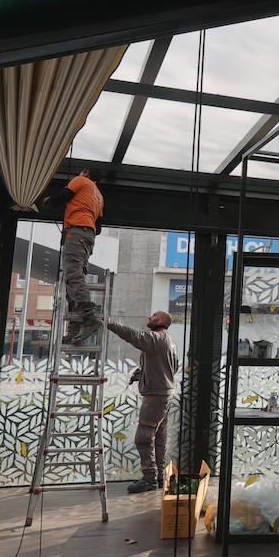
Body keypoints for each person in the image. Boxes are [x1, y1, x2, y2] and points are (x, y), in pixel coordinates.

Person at [107, 310, 179, 493]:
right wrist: (142, 373)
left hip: (156, 395)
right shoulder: (169, 341)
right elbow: (169, 367)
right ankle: (160, 477)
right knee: (159, 437)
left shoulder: (157, 338)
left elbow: (134, 336)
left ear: (162, 320)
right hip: (165, 393)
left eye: (154, 316)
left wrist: (110, 323)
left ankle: (149, 478)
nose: (149, 318)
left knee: (143, 437)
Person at [40, 168, 104, 345]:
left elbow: (62, 197)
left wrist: (48, 201)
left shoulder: (81, 181)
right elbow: (98, 227)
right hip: (88, 236)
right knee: (75, 279)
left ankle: (90, 318)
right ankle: (74, 330)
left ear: (87, 173)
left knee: (72, 275)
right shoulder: (98, 196)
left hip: (76, 232)